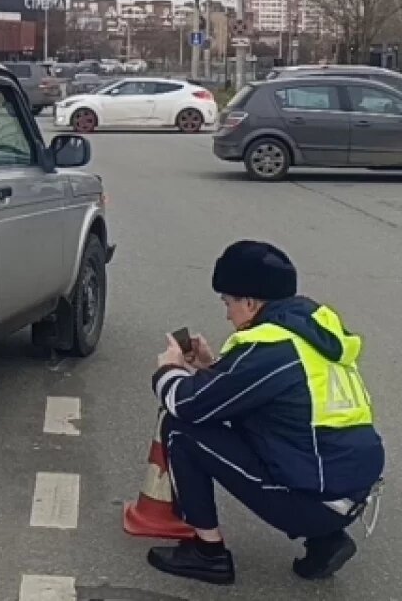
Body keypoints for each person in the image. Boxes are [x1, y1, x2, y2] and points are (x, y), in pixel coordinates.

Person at [146, 240, 384, 585]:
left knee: (181, 428)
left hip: (317, 501)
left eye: (227, 302)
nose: (227, 313)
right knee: (259, 426)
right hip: (348, 494)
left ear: (250, 302)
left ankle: (207, 554)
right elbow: (264, 402)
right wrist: (211, 368)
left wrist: (169, 370)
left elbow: (187, 405)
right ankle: (326, 540)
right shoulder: (309, 334)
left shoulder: (271, 349)